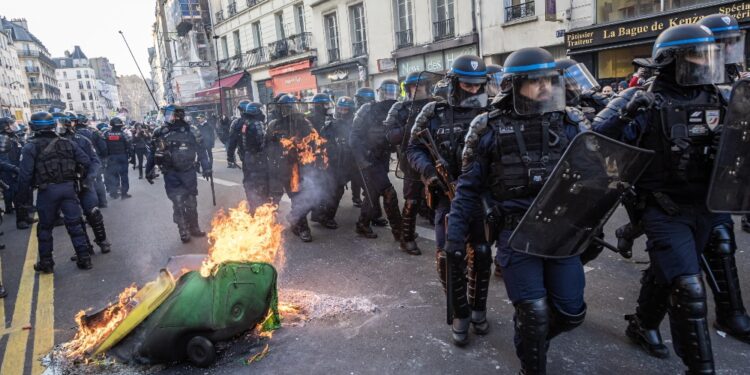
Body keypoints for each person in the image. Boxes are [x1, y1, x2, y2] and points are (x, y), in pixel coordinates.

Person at [594, 24, 728, 373]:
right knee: (688, 285)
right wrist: (625, 112)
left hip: (706, 206)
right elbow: (594, 141)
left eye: (707, 55)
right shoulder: (644, 100)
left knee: (668, 269)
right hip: (663, 208)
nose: (704, 62)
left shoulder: (719, 97)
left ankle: (642, 322)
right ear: (671, 60)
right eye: (696, 55)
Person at [445, 48, 587, 369]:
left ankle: (532, 336)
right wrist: (455, 239)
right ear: (513, 85)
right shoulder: (488, 127)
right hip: (516, 232)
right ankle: (531, 361)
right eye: (536, 81)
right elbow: (467, 190)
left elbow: (594, 173)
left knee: (571, 312)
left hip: (560, 231)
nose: (545, 88)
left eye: (549, 80)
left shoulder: (569, 122)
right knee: (533, 311)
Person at [408, 55, 493, 346]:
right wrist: (430, 173)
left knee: (481, 253)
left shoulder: (492, 111)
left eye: (477, 86)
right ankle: (460, 312)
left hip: (481, 195)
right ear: (455, 83)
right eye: (467, 86)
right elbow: (414, 147)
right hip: (446, 194)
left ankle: (478, 308)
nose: (473, 91)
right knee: (448, 256)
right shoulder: (433, 112)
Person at [15, 112, 93, 272]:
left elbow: (25, 176)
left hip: (47, 191)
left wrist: (22, 201)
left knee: (45, 228)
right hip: (68, 189)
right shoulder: (67, 143)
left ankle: (47, 263)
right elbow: (86, 161)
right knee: (75, 225)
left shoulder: (30, 147)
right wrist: (76, 177)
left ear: (33, 127)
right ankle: (85, 258)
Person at [384, 71, 441, 255]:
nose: (417, 89)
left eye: (420, 86)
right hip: (412, 159)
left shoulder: (437, 105)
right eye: (413, 86)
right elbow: (390, 136)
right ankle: (406, 238)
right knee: (413, 199)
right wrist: (407, 127)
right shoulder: (400, 108)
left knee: (440, 197)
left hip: (436, 158)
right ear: (408, 88)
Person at [146, 105, 211, 243]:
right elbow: (152, 153)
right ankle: (183, 230)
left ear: (179, 116)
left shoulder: (192, 130)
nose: (169, 118)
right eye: (168, 115)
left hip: (188, 171)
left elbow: (201, 151)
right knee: (178, 202)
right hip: (171, 172)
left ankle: (194, 227)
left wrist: (206, 167)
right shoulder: (160, 132)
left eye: (172, 115)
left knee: (191, 202)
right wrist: (149, 170)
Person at [350, 79, 403, 241]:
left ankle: (362, 224)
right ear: (380, 92)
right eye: (386, 91)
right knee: (389, 193)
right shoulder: (367, 109)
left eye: (392, 91)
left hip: (383, 158)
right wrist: (361, 159)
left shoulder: (397, 110)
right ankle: (400, 233)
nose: (389, 95)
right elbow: (353, 136)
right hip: (369, 158)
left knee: (372, 194)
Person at [265, 95, 319, 242]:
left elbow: (314, 143)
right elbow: (267, 146)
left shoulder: (304, 123)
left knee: (299, 198)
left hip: (296, 168)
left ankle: (302, 228)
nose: (289, 110)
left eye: (291, 107)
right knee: (272, 199)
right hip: (279, 168)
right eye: (285, 107)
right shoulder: (274, 125)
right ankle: (265, 226)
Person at [58, 112, 111, 256]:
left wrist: (89, 178)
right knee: (74, 219)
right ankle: (84, 247)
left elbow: (95, 161)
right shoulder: (53, 143)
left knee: (93, 212)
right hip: (66, 186)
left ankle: (103, 241)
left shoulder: (82, 140)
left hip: (84, 183)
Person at [312, 96, 357, 229]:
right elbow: (322, 144)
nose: (343, 112)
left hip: (348, 163)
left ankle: (321, 215)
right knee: (333, 191)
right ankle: (325, 216)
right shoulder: (331, 125)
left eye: (345, 110)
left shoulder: (355, 123)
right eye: (341, 109)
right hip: (333, 164)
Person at [231, 101, 270, 213]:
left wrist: (231, 156)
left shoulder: (243, 123)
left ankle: (253, 206)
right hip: (257, 158)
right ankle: (263, 207)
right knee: (262, 182)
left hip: (247, 157)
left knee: (249, 183)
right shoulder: (257, 123)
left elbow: (234, 140)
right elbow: (261, 142)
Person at [0, 117, 36, 229]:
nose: (14, 125)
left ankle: (25, 217)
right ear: (5, 126)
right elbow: (2, 160)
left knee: (24, 195)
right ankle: (20, 221)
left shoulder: (13, 137)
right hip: (11, 173)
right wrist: (14, 169)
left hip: (19, 169)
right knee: (17, 197)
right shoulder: (2, 138)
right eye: (11, 123)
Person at [103, 117, 132, 199]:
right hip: (122, 156)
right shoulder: (123, 134)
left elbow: (103, 146)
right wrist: (131, 155)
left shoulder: (106, 134)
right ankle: (124, 193)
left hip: (111, 157)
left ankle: (114, 193)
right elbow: (129, 144)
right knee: (124, 175)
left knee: (113, 175)